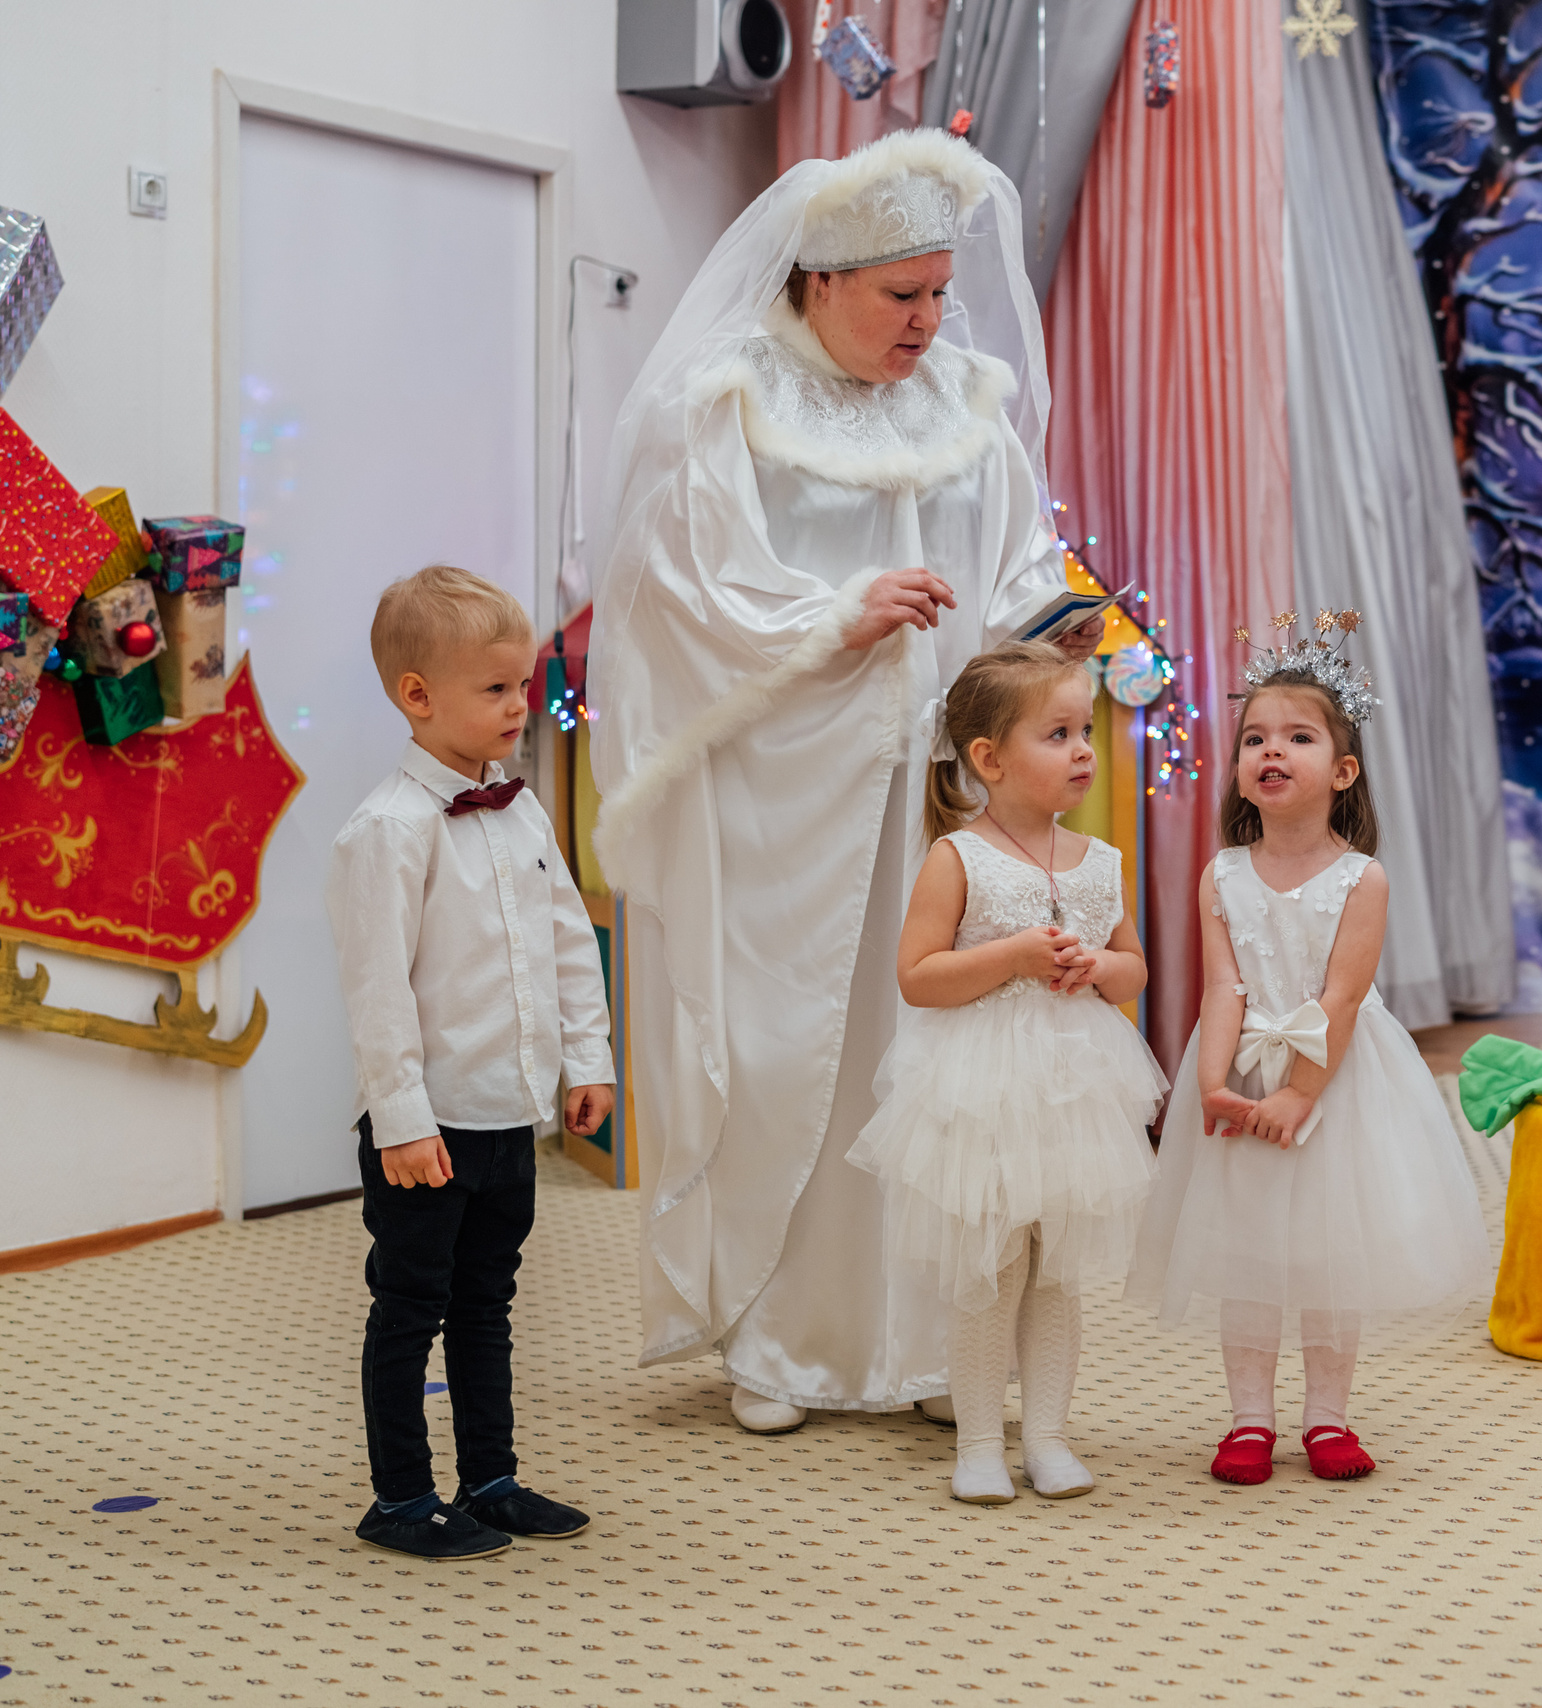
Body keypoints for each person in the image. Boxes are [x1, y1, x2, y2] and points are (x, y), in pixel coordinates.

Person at [587, 130, 1104, 1433]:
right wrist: (838, 612)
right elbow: (679, 581)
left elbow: (1020, 555)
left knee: (933, 1058)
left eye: (940, 292)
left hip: (940, 789)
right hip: (789, 796)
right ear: (820, 280)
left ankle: (937, 1345)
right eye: (901, 296)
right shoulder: (724, 398)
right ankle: (788, 1343)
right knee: (793, 1047)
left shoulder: (970, 404)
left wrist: (1048, 624)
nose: (930, 321)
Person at [1126, 620, 1490, 1484]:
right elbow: (1223, 989)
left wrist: (1298, 1093)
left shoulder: (1361, 878)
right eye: (1254, 737)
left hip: (1334, 1082)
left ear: (1343, 771)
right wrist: (1213, 1083)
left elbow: (1341, 998)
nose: (1270, 750)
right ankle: (1249, 1420)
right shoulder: (1221, 872)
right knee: (1244, 1247)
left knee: (1330, 1251)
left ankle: (1327, 1418)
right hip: (1245, 1073)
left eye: (1297, 736)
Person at [326, 565, 617, 1560]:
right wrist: (401, 1119)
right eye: (495, 689)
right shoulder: (388, 832)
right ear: (418, 695)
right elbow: (377, 994)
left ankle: (488, 1476)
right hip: (429, 1123)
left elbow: (570, 939)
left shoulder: (520, 810)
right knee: (412, 1303)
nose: (519, 705)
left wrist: (590, 1058)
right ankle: (401, 1497)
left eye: (521, 684)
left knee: (488, 1298)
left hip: (505, 1112)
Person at [847, 642, 1162, 1504]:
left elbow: (1134, 971)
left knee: (1057, 1270)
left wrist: (1097, 969)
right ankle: (980, 1443)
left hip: (1072, 1092)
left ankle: (1049, 1437)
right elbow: (917, 977)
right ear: (989, 759)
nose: (1084, 750)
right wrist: (1017, 956)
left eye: (1085, 730)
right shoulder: (959, 857)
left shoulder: (1099, 862)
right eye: (1057, 733)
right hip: (982, 1091)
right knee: (990, 1270)